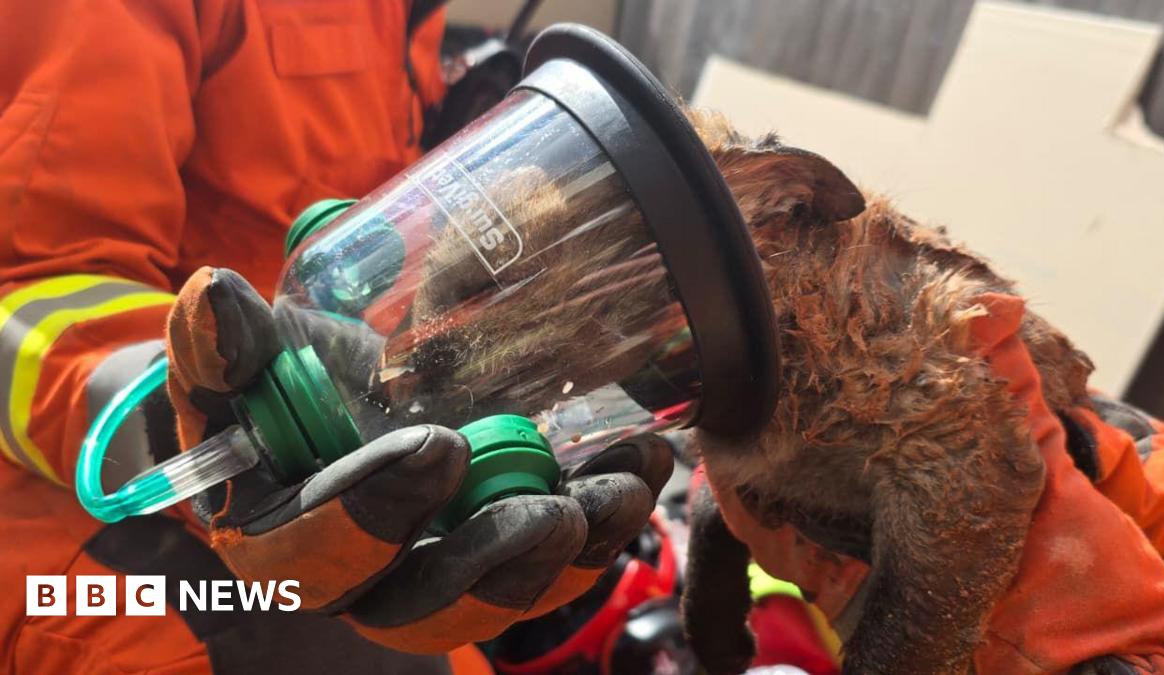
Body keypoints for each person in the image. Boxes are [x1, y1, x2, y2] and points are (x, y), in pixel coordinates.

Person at [0, 1, 672, 673]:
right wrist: (190, 421)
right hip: (74, 505)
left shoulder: (404, 23)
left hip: (339, 489)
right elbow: (25, 285)